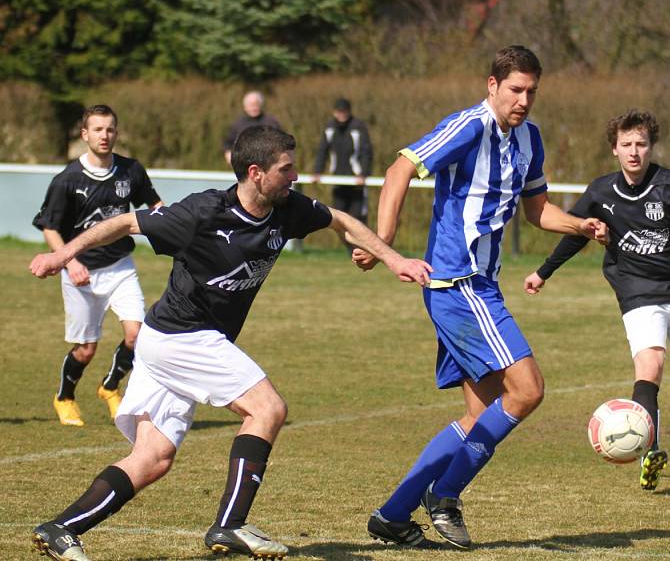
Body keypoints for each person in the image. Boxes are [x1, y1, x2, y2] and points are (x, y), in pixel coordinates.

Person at [29, 125, 432, 561]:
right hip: (181, 336)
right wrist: (61, 254)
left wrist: (392, 259)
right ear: (256, 173)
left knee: (153, 458)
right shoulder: (202, 213)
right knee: (268, 408)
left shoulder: (287, 208)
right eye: (286, 168)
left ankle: (59, 528)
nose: (295, 176)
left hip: (170, 341)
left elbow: (340, 220)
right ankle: (230, 525)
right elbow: (125, 222)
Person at [353, 45, 608, 549]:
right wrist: (382, 245)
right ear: (492, 86)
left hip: (480, 287)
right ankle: (444, 495)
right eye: (515, 89)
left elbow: (537, 212)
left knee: (481, 414)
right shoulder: (469, 126)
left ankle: (393, 515)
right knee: (528, 389)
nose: (524, 99)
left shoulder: (529, 138)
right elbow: (399, 168)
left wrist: (580, 223)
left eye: (532, 90)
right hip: (458, 285)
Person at [526, 109, 670, 492]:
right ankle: (649, 452)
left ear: (651, 147)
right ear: (614, 150)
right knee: (650, 366)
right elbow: (576, 234)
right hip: (638, 292)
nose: (634, 152)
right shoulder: (601, 192)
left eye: (641, 144)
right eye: (626, 145)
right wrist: (543, 271)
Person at [32, 104, 163, 427]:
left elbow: (155, 205)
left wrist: (175, 223)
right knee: (86, 349)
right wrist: (69, 261)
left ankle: (110, 387)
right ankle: (64, 397)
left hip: (121, 267)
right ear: (85, 134)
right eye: (98, 129)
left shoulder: (131, 170)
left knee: (138, 336)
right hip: (81, 273)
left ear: (116, 133)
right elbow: (49, 226)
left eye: (110, 129)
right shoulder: (68, 179)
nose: (105, 135)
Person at [311, 98, 373, 227]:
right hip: (338, 180)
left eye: (344, 111)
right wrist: (317, 171)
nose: (342, 114)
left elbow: (366, 151)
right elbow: (322, 150)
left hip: (356, 182)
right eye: (339, 111)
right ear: (334, 112)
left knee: (358, 219)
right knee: (339, 219)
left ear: (349, 112)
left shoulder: (358, 127)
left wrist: (363, 173)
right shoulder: (329, 128)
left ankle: (360, 247)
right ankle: (351, 247)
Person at [223, 91, 282, 164]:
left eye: (256, 105)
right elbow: (228, 142)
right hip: (243, 163)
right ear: (245, 106)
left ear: (261, 105)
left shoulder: (271, 122)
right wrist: (228, 153)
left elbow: (281, 141)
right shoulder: (237, 124)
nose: (253, 108)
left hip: (268, 162)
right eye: (250, 105)